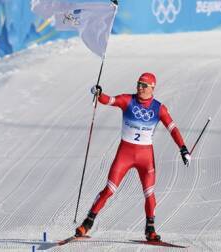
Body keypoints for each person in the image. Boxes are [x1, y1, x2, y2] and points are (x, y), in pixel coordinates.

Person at [75, 72, 191, 241]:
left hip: (145, 157)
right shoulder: (127, 100)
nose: (140, 87)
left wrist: (183, 149)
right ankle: (87, 223)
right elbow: (109, 100)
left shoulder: (159, 108)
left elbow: (172, 128)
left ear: (152, 88)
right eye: (138, 84)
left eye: (144, 85)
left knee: (149, 193)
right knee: (109, 190)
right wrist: (99, 93)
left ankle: (150, 229)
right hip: (125, 154)